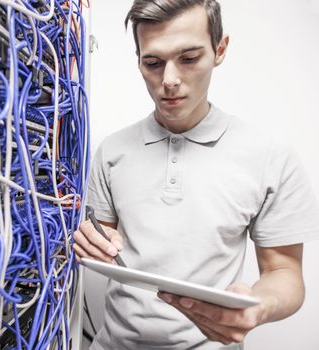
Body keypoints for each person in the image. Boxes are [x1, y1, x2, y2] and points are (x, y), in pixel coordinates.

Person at [73, 0, 319, 349]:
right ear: (138, 60)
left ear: (220, 50)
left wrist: (257, 306)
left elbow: (284, 273)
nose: (169, 80)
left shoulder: (269, 156)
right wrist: (88, 240)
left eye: (189, 59)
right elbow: (103, 240)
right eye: (153, 63)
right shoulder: (112, 151)